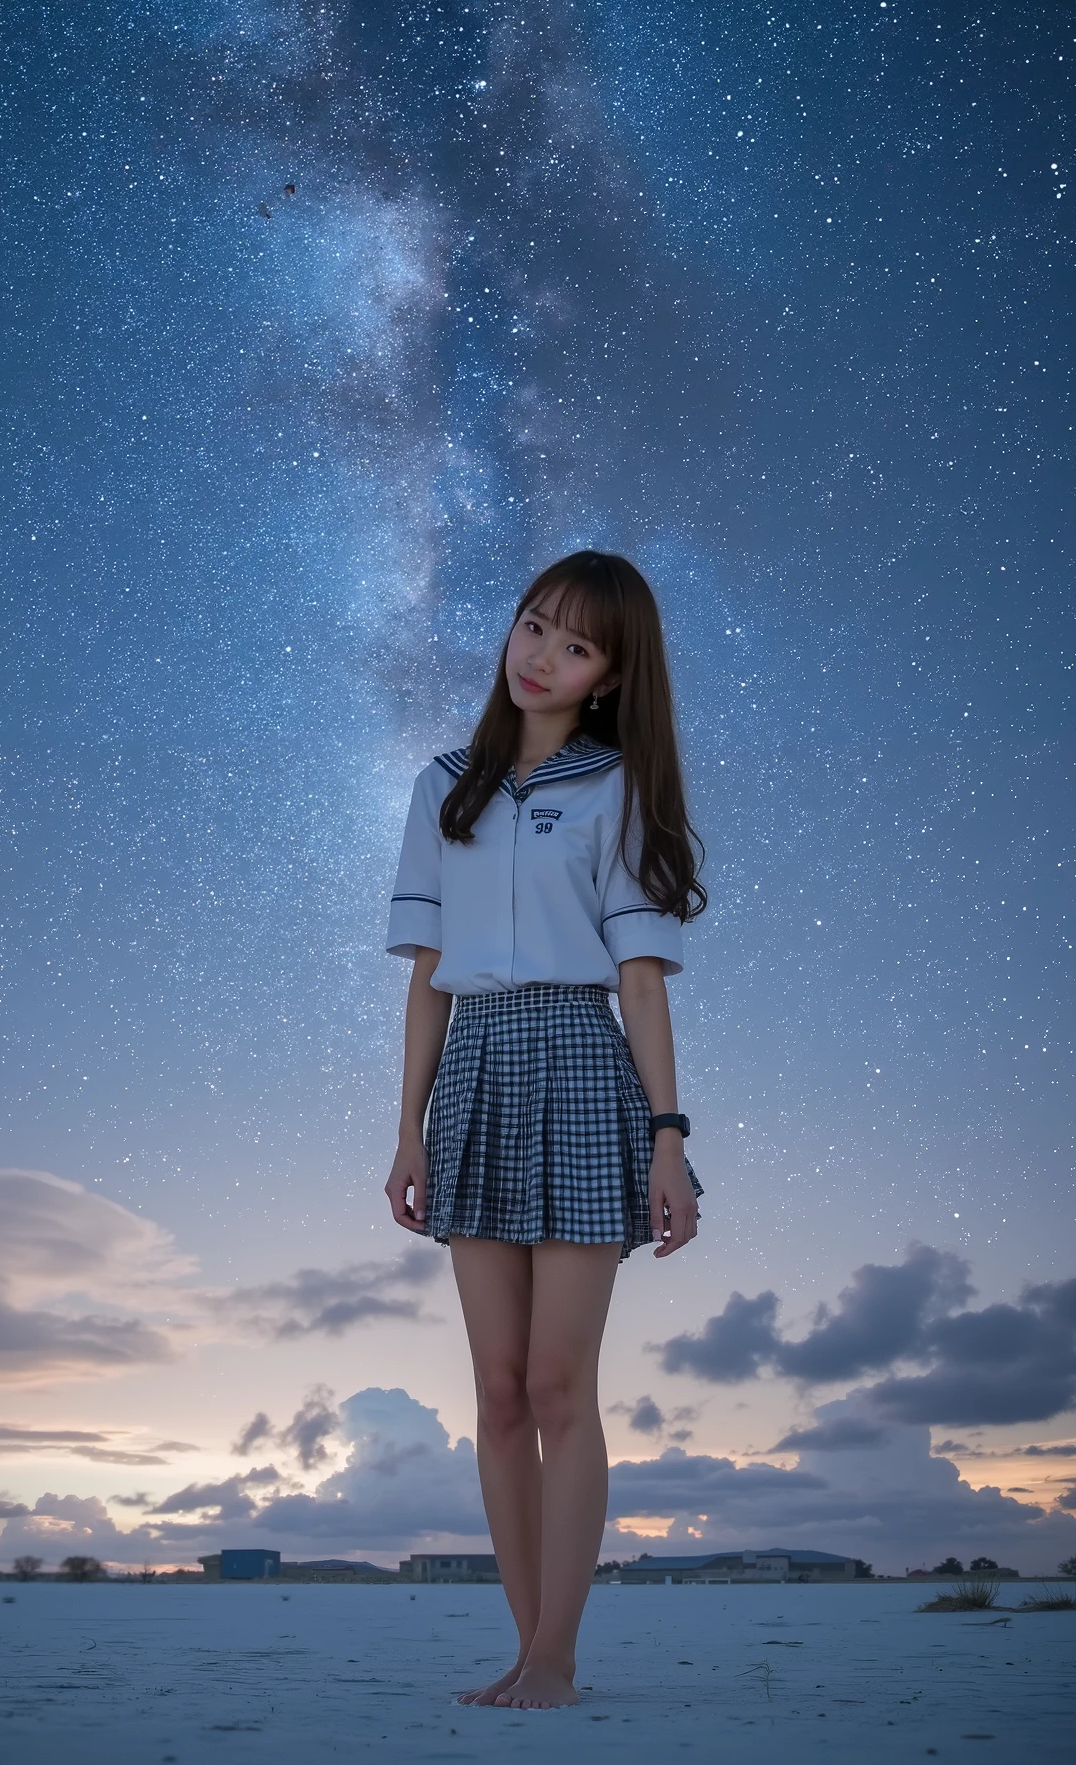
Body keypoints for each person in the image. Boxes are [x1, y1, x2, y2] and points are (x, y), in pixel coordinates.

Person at [384, 549, 706, 1711]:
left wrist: (666, 1135)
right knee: (498, 1389)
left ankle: (558, 1661)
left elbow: (642, 979)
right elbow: (425, 975)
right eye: (532, 626)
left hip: (580, 1060)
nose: (540, 656)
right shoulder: (441, 786)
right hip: (473, 1064)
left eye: (575, 645)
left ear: (610, 677)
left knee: (563, 1385)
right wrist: (407, 1128)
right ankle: (523, 1654)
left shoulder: (618, 786)